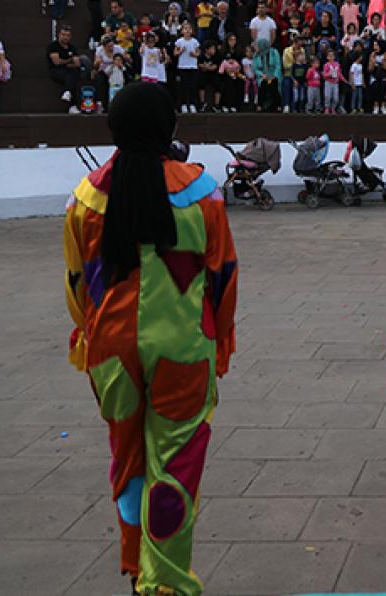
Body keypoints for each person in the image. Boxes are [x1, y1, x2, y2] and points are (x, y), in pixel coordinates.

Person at [63, 81, 238, 596]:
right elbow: (223, 276)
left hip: (111, 353)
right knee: (175, 464)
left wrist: (89, 333)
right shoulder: (202, 194)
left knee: (128, 458)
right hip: (184, 349)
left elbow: (77, 285)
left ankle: (135, 563)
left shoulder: (86, 198)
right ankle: (165, 581)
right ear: (169, 130)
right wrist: (221, 338)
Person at [48, 24, 86, 113]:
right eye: (63, 35)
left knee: (74, 72)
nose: (65, 37)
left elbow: (77, 63)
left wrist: (66, 63)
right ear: (59, 35)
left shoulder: (72, 47)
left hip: (69, 71)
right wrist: (69, 60)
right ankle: (72, 105)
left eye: (68, 35)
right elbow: (56, 62)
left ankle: (67, 93)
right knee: (72, 76)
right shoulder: (53, 46)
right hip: (56, 71)